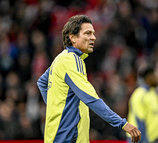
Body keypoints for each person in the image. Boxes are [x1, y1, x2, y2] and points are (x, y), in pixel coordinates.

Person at [37, 15, 141, 143]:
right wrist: (122, 123)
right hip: (67, 138)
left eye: (93, 33)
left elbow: (42, 82)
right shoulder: (71, 60)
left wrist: (56, 108)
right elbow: (91, 98)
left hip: (61, 136)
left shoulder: (62, 58)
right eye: (88, 33)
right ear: (73, 37)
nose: (93, 37)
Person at [126, 66, 158, 143]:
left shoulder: (153, 94)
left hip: (152, 139)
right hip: (138, 139)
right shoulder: (140, 94)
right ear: (148, 77)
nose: (157, 78)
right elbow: (139, 118)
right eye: (155, 75)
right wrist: (143, 139)